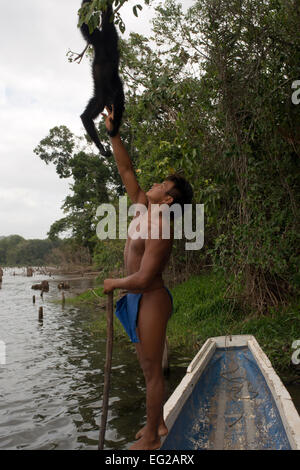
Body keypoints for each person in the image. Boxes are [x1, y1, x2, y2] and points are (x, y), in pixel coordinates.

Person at [102, 106, 193, 450]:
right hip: (136, 299)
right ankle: (160, 423)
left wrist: (113, 283)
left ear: (168, 199)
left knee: (152, 371)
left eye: (161, 184)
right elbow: (125, 167)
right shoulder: (142, 206)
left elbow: (142, 278)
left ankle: (153, 438)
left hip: (150, 298)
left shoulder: (162, 227)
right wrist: (114, 133)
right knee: (146, 366)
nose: (153, 184)